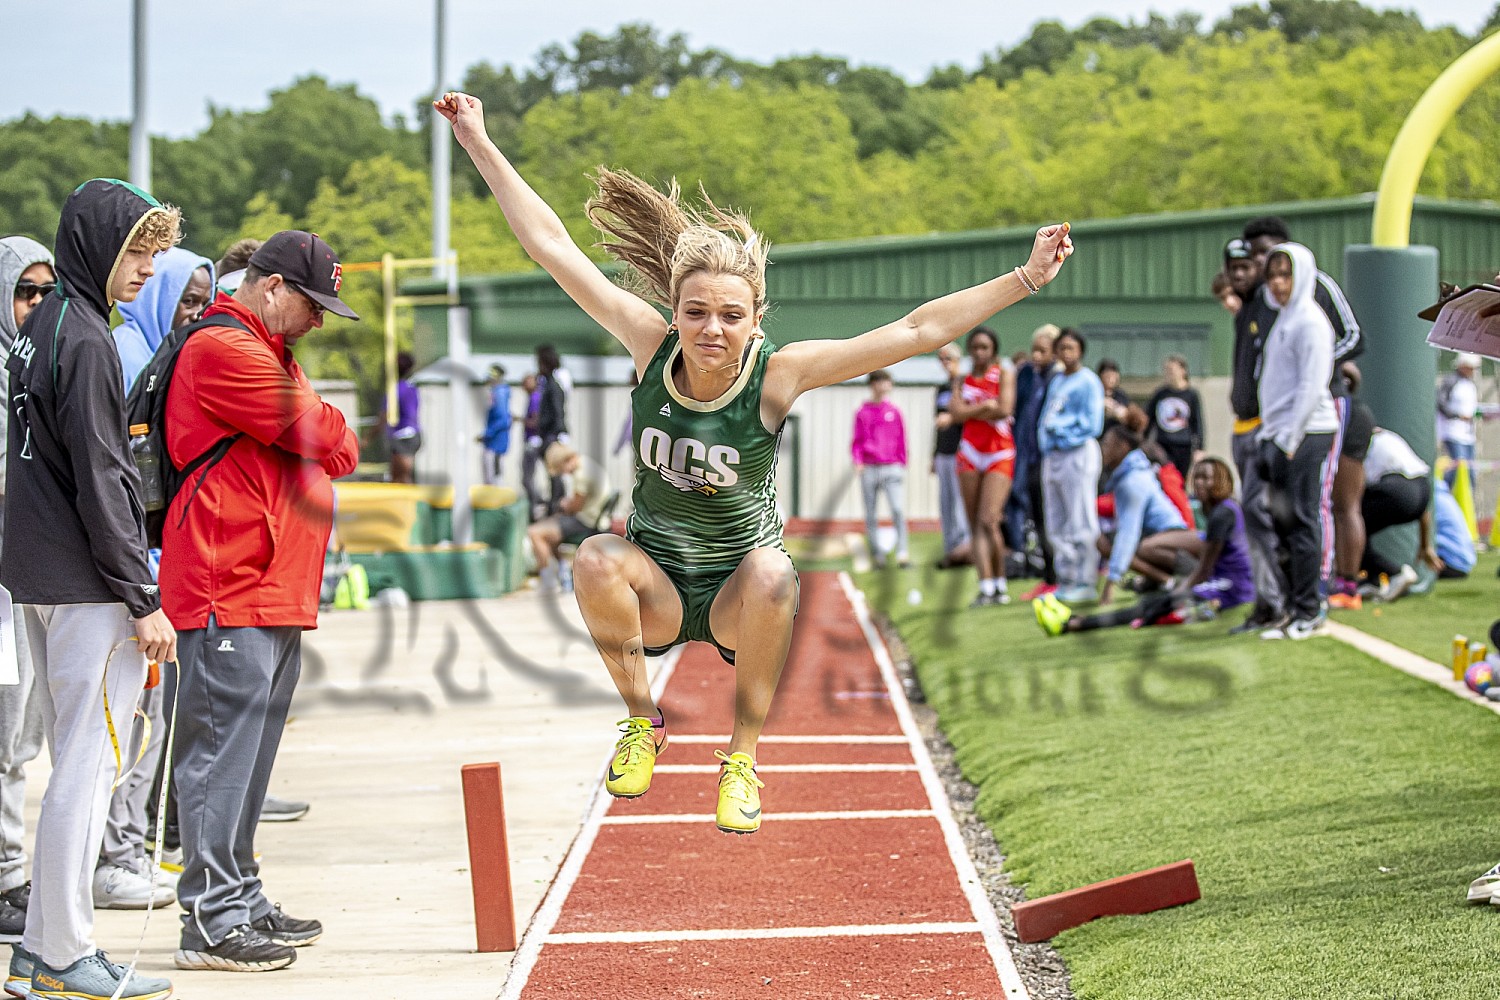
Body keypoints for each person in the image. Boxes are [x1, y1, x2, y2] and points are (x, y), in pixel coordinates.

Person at [436, 89, 1073, 834]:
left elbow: (918, 328)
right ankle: (642, 723)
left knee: (775, 567)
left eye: (731, 316)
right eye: (697, 311)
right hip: (661, 590)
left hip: (744, 596)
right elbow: (551, 246)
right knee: (595, 556)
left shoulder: (780, 372)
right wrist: (476, 137)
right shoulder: (648, 345)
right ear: (673, 310)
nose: (712, 329)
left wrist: (1025, 279)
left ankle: (741, 760)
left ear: (756, 320)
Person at [161, 230, 360, 973]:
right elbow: (327, 436)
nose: (317, 321)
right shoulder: (223, 348)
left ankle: (237, 896)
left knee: (247, 759)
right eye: (312, 305)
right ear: (271, 286)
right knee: (220, 757)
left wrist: (312, 418)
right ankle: (211, 920)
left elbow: (336, 446)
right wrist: (313, 416)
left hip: (267, 582)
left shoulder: (267, 350)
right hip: (229, 579)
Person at [2, 179, 179, 1000]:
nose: (148, 266)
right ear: (98, 246)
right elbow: (104, 481)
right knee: (88, 764)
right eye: (136, 249)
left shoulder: (44, 328)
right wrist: (141, 598)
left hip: (40, 574)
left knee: (76, 759)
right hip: (86, 583)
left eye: (154, 251)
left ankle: (43, 949)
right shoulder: (90, 340)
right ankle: (66, 953)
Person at [1036, 457, 1253, 635]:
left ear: (1221, 481)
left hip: (1231, 588)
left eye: (1206, 478)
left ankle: (1073, 624)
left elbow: (1204, 570)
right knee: (1155, 602)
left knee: (1152, 606)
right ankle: (1076, 620)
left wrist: (1176, 592)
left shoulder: (1222, 514)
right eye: (1196, 477)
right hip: (1225, 582)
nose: (1199, 483)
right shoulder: (1222, 510)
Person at [0, 236, 52, 943]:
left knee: (22, 733)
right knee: (5, 726)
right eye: (24, 291)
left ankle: (9, 871)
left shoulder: (29, 368)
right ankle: (5, 875)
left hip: (24, 578)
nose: (37, 304)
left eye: (46, 292)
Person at [1256, 243, 1339, 640]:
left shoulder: (1311, 321)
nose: (1278, 283)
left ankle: (1310, 608)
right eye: (1272, 275)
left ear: (1302, 274)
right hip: (1279, 433)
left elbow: (1311, 384)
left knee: (1302, 522)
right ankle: (1291, 608)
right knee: (1283, 525)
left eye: (1285, 274)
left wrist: (1289, 437)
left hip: (1306, 432)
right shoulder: (1284, 319)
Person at [1223, 236, 1286, 635]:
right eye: (1234, 269)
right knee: (1255, 517)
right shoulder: (1244, 310)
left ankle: (1280, 602)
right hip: (1242, 426)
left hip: (1266, 427)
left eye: (1247, 267)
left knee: (1268, 516)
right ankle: (1267, 602)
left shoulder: (1270, 306)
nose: (1240, 274)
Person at [1037, 328, 1104, 604]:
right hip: (1052, 455)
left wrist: (1061, 431)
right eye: (1061, 348)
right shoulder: (1057, 381)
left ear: (1080, 351)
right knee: (1056, 520)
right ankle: (1066, 578)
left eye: (1071, 348)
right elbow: (1045, 417)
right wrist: (1046, 438)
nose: (1066, 353)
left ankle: (1086, 580)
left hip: (1077, 452)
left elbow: (1092, 423)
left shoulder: (1088, 381)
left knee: (1080, 517)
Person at [948, 328, 1015, 605]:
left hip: (999, 452)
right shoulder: (963, 378)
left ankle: (1001, 582)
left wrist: (972, 410)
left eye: (985, 347)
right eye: (974, 347)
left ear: (993, 350)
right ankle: (985, 586)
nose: (979, 352)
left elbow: (1004, 409)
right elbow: (955, 413)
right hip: (970, 452)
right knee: (975, 522)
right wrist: (984, 406)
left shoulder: (1004, 373)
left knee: (990, 520)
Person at [1095, 423, 1188, 606]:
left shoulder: (1133, 481)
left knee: (1105, 542)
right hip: (1159, 542)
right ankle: (1158, 581)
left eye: (1107, 444)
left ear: (1123, 446)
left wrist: (1109, 585)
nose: (1103, 450)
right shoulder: (1129, 474)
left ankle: (1167, 581)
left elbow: (1128, 534)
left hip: (1174, 548)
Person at [112, 246, 214, 392]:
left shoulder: (171, 357)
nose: (198, 315)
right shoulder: (126, 355)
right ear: (159, 298)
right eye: (189, 301)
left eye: (205, 304)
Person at [1359, 426, 1442, 602]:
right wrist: (1425, 545)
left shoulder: (1358, 441)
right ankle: (1373, 580)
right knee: (1360, 528)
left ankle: (1394, 572)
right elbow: (1423, 509)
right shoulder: (1390, 437)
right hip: (1422, 490)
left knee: (1347, 526)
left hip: (1397, 491)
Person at [1012, 325, 1060, 600]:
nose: (1037, 356)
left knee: (1052, 519)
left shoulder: (1057, 378)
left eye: (1043, 351)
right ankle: (1049, 576)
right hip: (1028, 457)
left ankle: (1061, 576)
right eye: (1035, 350)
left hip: (1049, 459)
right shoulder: (1029, 375)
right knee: (1037, 518)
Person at [528, 441, 610, 591]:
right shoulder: (586, 462)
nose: (563, 473)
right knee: (550, 530)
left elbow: (575, 507)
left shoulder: (581, 473)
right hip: (594, 517)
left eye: (561, 469)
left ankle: (549, 580)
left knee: (535, 533)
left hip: (586, 522)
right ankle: (562, 571)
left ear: (566, 461)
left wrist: (565, 504)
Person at [1327, 362, 1376, 609]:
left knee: (1346, 507)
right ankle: (1342, 580)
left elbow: (1351, 369)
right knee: (1340, 509)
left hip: (1346, 415)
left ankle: (1348, 585)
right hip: (1344, 412)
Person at [851, 369, 909, 569]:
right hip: (869, 467)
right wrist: (858, 461)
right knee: (871, 513)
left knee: (898, 509)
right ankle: (877, 555)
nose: (886, 386)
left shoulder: (895, 411)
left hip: (892, 467)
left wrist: (902, 462)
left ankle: (903, 552)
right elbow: (857, 441)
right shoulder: (862, 412)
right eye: (882, 381)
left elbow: (902, 439)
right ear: (874, 384)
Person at [931, 344, 970, 567]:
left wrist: (953, 419)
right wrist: (933, 455)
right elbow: (936, 424)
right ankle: (950, 548)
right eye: (943, 360)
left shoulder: (964, 383)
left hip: (960, 450)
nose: (946, 364)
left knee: (959, 502)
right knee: (945, 503)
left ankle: (964, 548)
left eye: (950, 359)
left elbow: (970, 415)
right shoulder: (942, 387)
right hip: (944, 451)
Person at [1145, 354, 1202, 479]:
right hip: (1163, 444)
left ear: (1183, 371)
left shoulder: (1191, 395)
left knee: (1180, 479)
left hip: (1183, 445)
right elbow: (1148, 419)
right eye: (1166, 370)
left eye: (1171, 370)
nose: (1168, 373)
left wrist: (1199, 448)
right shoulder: (1160, 394)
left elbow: (1197, 422)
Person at [1437, 352, 1483, 493]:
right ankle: (1444, 494)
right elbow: (1440, 403)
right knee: (1457, 469)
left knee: (1469, 472)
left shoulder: (1469, 384)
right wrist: (1458, 415)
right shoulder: (1451, 381)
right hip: (1453, 432)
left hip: (1467, 434)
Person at [387, 350, 421, 484]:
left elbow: (384, 415)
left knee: (402, 477)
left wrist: (367, 438)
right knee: (398, 477)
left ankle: (410, 504)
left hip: (404, 435)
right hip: (412, 434)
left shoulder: (396, 389)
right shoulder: (411, 388)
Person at [480, 363, 513, 485]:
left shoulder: (499, 393)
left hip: (495, 442)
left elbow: (503, 419)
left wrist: (488, 434)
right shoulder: (498, 392)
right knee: (493, 476)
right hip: (494, 441)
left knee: (494, 478)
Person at [1097, 358, 1131, 438]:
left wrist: (1114, 410)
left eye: (1113, 376)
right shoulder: (1095, 394)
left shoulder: (1121, 395)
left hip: (1116, 437)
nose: (1111, 379)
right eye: (1107, 376)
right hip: (1099, 435)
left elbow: (1126, 415)